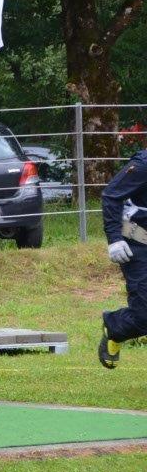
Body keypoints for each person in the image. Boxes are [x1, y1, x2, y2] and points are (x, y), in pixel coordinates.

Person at [99, 148, 147, 368]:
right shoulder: (144, 165)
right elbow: (111, 195)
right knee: (143, 316)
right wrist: (114, 239)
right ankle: (114, 327)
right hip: (138, 242)